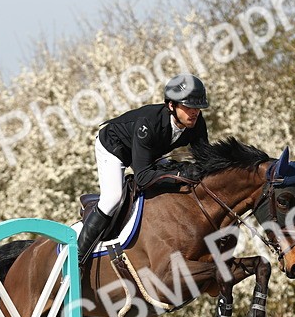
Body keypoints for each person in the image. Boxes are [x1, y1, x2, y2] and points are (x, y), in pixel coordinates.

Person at [77, 73, 211, 267]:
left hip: (144, 152)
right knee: (113, 198)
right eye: (188, 106)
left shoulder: (197, 124)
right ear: (171, 105)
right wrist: (180, 175)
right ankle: (78, 256)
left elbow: (205, 162)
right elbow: (142, 177)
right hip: (113, 147)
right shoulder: (149, 123)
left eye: (198, 107)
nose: (194, 113)